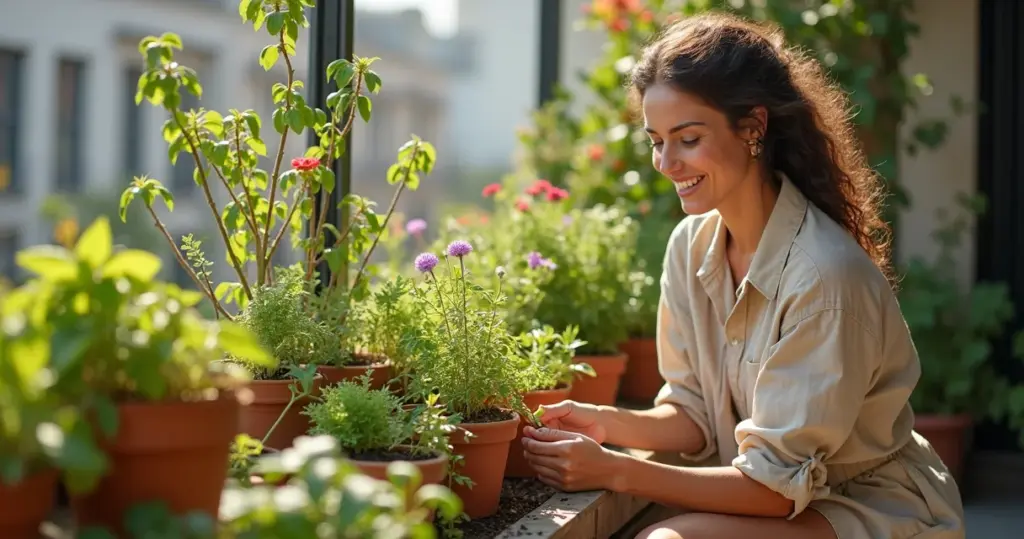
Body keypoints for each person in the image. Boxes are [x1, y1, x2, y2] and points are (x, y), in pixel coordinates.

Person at [520, 11, 966, 539]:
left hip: (871, 511)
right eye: (656, 140)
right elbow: (695, 414)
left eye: (687, 138)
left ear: (753, 127)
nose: (665, 162)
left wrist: (615, 467)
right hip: (783, 498)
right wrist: (605, 422)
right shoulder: (691, 248)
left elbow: (773, 488)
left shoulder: (823, 280)